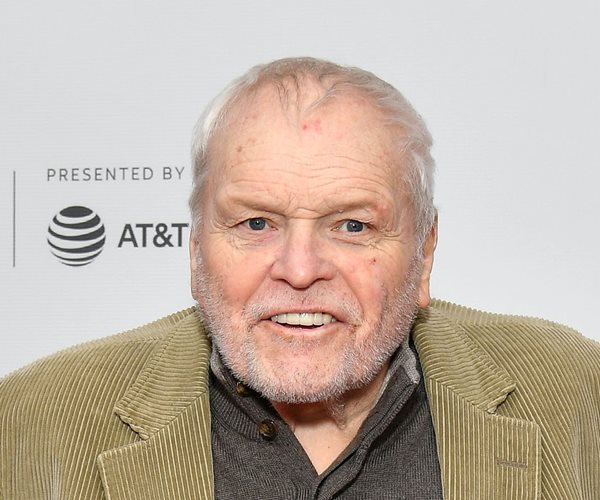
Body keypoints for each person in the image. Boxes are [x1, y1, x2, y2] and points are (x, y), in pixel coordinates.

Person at [1, 57, 598, 500]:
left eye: (353, 226)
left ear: (425, 253)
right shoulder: (35, 419)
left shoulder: (575, 393)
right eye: (257, 223)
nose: (301, 269)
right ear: (195, 249)